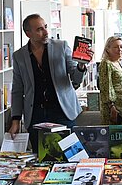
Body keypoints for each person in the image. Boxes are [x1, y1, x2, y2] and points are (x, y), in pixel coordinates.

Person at [8, 14, 90, 152]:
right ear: (28, 34)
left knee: (71, 155)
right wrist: (15, 119)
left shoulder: (61, 46)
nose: (46, 32)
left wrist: (81, 66)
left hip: (63, 112)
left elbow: (76, 80)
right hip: (36, 114)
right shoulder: (19, 56)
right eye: (40, 29)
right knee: (40, 156)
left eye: (45, 27)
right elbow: (17, 89)